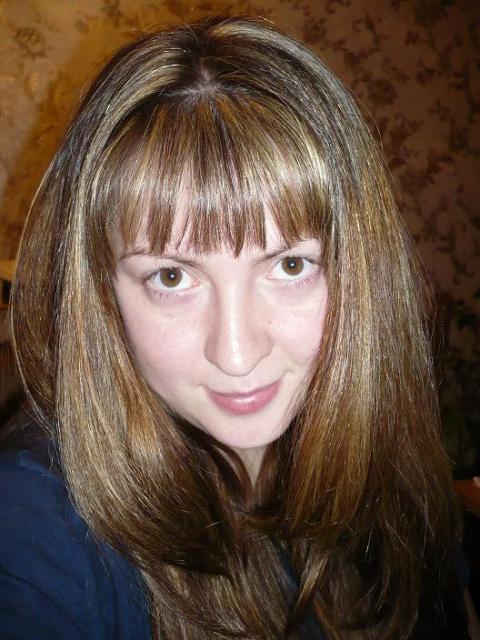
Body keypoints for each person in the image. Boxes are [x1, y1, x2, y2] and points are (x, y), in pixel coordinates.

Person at [0, 14, 475, 640]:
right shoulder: (36, 520)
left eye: (290, 265)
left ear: (359, 271)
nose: (236, 353)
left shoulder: (396, 467)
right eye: (172, 276)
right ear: (102, 290)